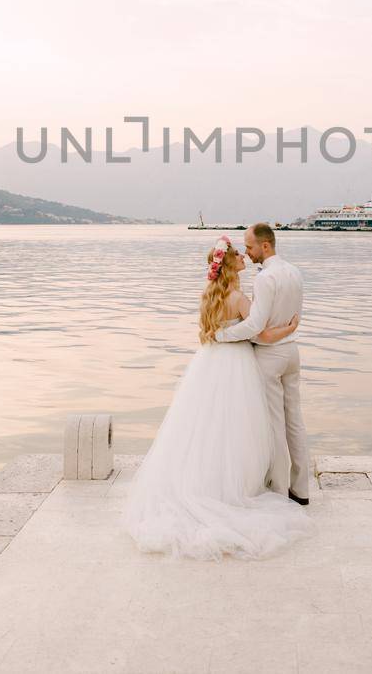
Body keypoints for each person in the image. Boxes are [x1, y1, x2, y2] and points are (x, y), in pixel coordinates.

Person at [121, 234, 312, 559]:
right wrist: (289, 329)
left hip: (208, 362)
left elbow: (209, 330)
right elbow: (260, 331)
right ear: (229, 265)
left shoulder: (208, 296)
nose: (243, 256)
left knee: (204, 424)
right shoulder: (238, 298)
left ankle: (208, 481)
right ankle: (245, 486)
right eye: (239, 254)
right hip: (237, 362)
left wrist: (220, 335)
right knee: (239, 425)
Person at [212, 222, 310, 503]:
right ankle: (301, 489)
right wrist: (287, 331)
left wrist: (223, 335)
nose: (247, 252)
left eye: (250, 246)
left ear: (265, 246)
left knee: (275, 424)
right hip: (292, 351)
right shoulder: (294, 272)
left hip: (270, 355)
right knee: (295, 420)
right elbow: (293, 317)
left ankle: (279, 490)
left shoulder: (265, 278)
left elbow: (255, 326)